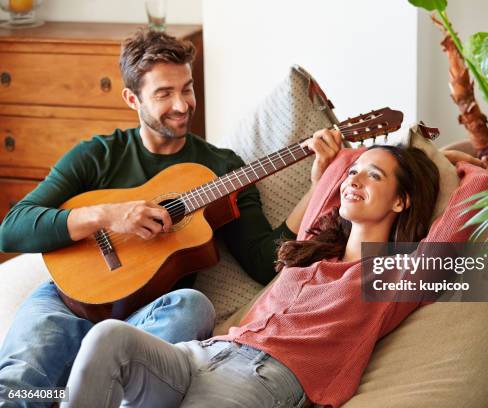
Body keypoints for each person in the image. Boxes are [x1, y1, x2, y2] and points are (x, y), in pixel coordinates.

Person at [0, 30, 342, 407]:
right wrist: (108, 216)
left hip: (147, 319)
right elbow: (12, 228)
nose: (181, 105)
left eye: (187, 88)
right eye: (163, 94)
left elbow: (266, 262)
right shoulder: (98, 155)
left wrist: (319, 184)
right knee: (17, 387)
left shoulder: (222, 168)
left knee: (194, 305)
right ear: (133, 98)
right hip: (68, 300)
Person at [59, 144, 488, 408]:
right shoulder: (309, 251)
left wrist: (452, 166)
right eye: (355, 173)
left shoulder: (392, 276)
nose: (353, 180)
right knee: (108, 337)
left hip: (261, 380)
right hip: (204, 354)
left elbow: (464, 212)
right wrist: (348, 161)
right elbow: (340, 166)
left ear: (402, 202)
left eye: (373, 176)